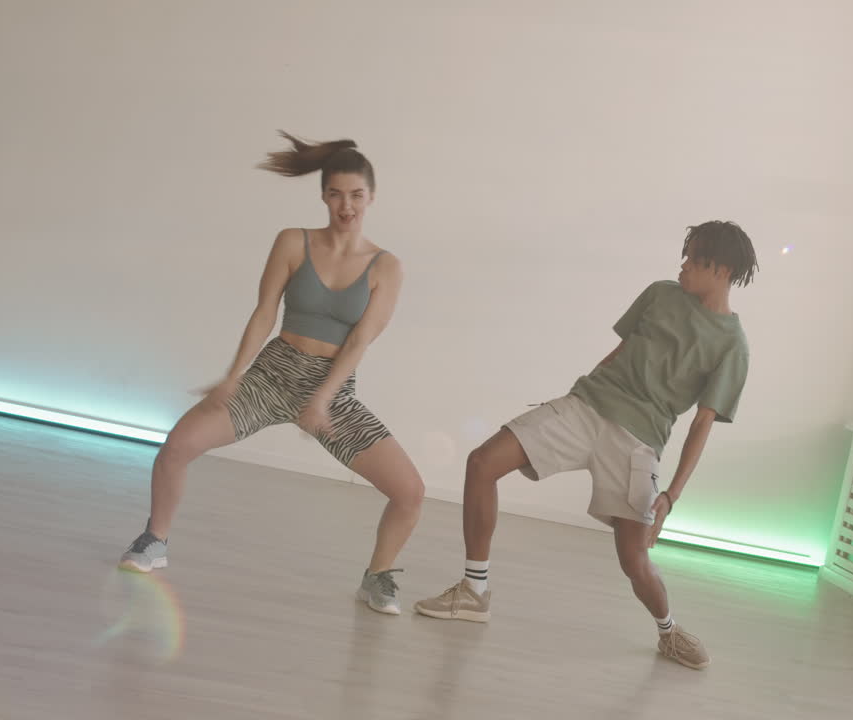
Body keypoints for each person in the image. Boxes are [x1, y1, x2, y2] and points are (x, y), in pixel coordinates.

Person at [413, 220, 757, 669]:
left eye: (694, 259)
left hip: (639, 442)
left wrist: (671, 495)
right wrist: (577, 393)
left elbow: (701, 425)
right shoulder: (659, 293)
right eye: (685, 254)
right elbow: (620, 352)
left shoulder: (733, 345)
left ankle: (668, 631)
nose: (683, 264)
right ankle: (474, 591)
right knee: (482, 462)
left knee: (633, 560)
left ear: (723, 270)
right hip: (587, 407)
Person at [118, 132, 424, 616]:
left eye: (357, 195)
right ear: (324, 195)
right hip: (270, 375)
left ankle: (378, 577)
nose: (347, 205)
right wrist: (233, 375)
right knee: (176, 447)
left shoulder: (387, 267)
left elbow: (361, 340)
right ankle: (154, 539)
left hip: (332, 390)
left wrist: (322, 399)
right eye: (337, 194)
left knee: (410, 492)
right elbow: (264, 313)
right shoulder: (292, 241)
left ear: (372, 197)